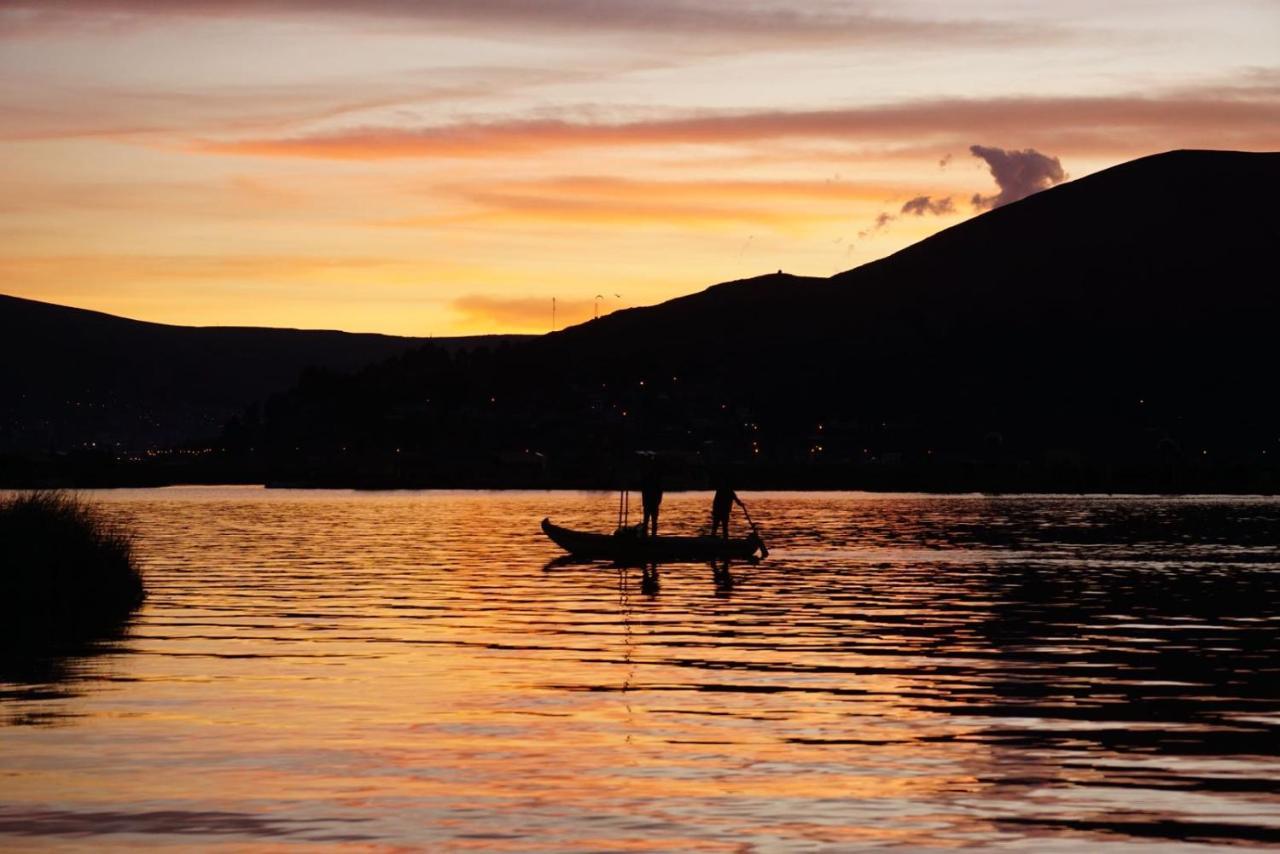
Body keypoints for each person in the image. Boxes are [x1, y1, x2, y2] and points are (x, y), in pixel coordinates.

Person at [640, 460, 663, 537]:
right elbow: (660, 492)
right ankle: (649, 535)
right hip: (650, 503)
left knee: (651, 521)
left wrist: (658, 501)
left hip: (651, 503)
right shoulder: (651, 481)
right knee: (650, 521)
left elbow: (660, 492)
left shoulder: (652, 481)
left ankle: (650, 535)